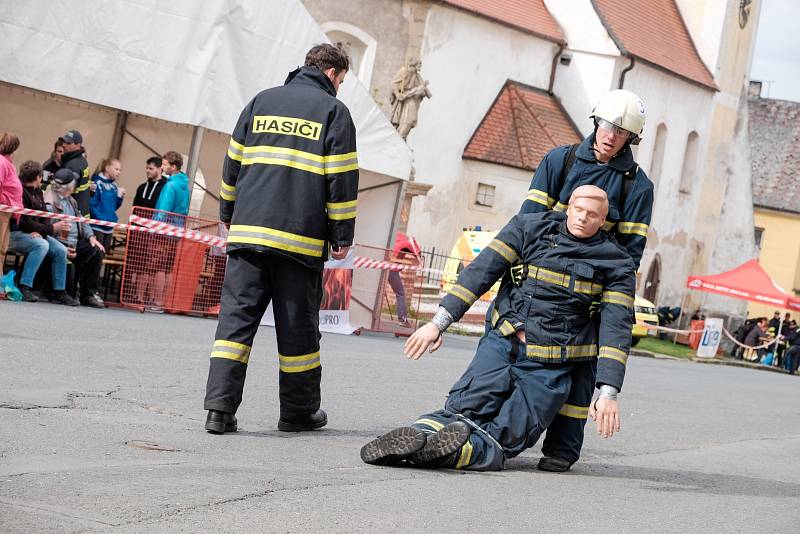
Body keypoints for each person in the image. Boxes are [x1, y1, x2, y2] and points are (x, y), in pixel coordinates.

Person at [361, 185, 635, 471]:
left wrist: (608, 394)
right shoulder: (528, 228)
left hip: (550, 364)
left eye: (592, 214)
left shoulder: (615, 262)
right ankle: (422, 439)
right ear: (568, 207)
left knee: (512, 427)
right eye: (578, 209)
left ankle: (446, 452)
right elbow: (481, 271)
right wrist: (437, 323)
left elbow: (617, 326)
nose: (582, 218)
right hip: (504, 343)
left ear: (603, 221)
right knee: (464, 406)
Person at [203, 43, 359, 435]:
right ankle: (297, 413)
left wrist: (227, 213)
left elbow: (232, 165)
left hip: (247, 234)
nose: (340, 86)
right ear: (332, 74)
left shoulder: (261, 102)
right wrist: (342, 235)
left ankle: (219, 411)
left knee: (234, 326)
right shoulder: (334, 112)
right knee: (297, 330)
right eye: (341, 79)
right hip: (298, 243)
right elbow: (341, 180)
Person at [520, 89, 653, 270]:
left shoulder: (638, 186)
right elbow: (527, 223)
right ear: (596, 122)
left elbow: (628, 256)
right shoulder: (559, 160)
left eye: (621, 131)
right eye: (607, 125)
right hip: (541, 266)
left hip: (589, 282)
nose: (611, 136)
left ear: (631, 138)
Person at [8, 161, 78, 305]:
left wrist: (42, 230)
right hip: (15, 233)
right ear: (38, 177)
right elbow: (22, 222)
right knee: (41, 245)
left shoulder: (38, 191)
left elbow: (44, 215)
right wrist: (51, 229)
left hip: (35, 233)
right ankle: (25, 286)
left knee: (60, 249)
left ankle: (59, 291)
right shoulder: (20, 192)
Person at [44, 168, 106, 308]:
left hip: (74, 240)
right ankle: (60, 291)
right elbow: (48, 228)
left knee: (96, 251)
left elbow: (81, 220)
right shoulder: (50, 200)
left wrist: (91, 237)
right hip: (58, 240)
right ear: (68, 186)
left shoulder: (71, 200)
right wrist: (64, 246)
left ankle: (88, 294)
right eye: (73, 182)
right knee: (65, 255)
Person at [0, 133, 24, 296]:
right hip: (2, 210)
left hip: (8, 212)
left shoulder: (8, 163)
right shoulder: (2, 162)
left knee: (2, 248)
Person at [89, 158, 125, 251]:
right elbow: (92, 204)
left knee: (103, 256)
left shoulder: (114, 186)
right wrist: (102, 220)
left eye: (120, 170)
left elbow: (114, 207)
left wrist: (119, 197)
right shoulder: (96, 183)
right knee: (96, 255)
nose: (119, 172)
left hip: (109, 227)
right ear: (107, 168)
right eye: (116, 169)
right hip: (97, 226)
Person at [388, 232, 422, 328]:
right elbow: (418, 254)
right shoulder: (408, 244)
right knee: (401, 294)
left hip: (384, 267)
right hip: (392, 271)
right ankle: (402, 319)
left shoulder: (397, 238)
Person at [59, 130, 91, 217]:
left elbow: (65, 191)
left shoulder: (73, 164)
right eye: (64, 142)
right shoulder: (82, 160)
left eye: (69, 143)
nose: (64, 145)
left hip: (73, 214)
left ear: (78, 145)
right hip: (81, 212)